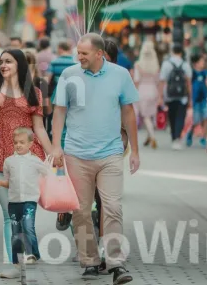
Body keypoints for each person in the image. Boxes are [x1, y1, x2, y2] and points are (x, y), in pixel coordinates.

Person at [52, 33, 139, 284]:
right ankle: (89, 260)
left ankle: (116, 264)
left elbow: (129, 113)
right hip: (76, 154)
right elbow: (59, 111)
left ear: (100, 54)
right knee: (80, 211)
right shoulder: (69, 75)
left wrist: (135, 150)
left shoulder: (121, 75)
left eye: (84, 53)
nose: (79, 57)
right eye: (78, 52)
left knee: (112, 207)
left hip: (110, 152)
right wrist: (56, 146)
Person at [0, 49, 53, 278]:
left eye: (8, 61)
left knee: (25, 213)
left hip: (27, 162)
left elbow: (39, 128)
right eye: (1, 62)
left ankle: (27, 254)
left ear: (20, 65)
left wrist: (52, 150)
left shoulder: (34, 92)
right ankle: (16, 265)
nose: (3, 65)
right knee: (9, 214)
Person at [0, 128, 48, 274]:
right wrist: (0, 183)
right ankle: (16, 261)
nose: (18, 145)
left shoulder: (35, 161)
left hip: (30, 201)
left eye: (22, 142)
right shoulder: (9, 161)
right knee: (16, 232)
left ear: (30, 144)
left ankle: (33, 254)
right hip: (14, 202)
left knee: (28, 226)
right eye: (16, 142)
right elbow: (9, 181)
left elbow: (48, 174)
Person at [159, 45, 192, 150]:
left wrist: (160, 96)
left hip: (169, 95)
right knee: (180, 117)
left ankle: (174, 137)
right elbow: (188, 82)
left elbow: (162, 81)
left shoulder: (166, 64)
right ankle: (177, 138)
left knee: (172, 116)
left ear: (172, 51)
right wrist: (190, 97)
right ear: (181, 53)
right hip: (182, 96)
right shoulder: (186, 64)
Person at [134, 41, 160, 149]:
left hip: (142, 90)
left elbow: (136, 80)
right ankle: (148, 137)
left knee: (145, 116)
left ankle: (152, 137)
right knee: (150, 115)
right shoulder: (156, 65)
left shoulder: (138, 65)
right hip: (153, 90)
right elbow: (158, 81)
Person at [187, 54, 207, 147]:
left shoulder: (206, 73)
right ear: (196, 64)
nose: (203, 63)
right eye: (201, 62)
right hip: (196, 100)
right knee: (196, 120)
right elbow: (189, 86)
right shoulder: (192, 74)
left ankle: (204, 137)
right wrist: (189, 99)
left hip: (205, 100)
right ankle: (190, 133)